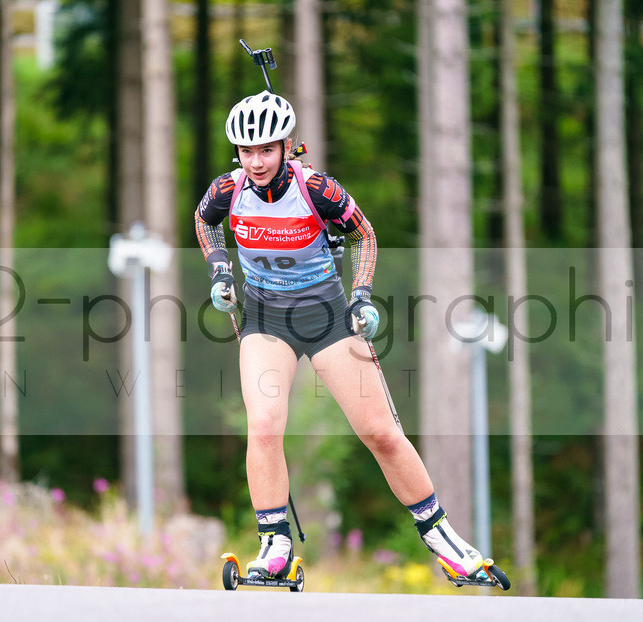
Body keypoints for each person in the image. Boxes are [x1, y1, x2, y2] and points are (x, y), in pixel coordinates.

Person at [195, 90, 490, 583]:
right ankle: (274, 544)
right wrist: (220, 270)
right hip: (266, 318)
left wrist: (362, 296)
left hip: (328, 318)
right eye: (246, 151)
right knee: (263, 425)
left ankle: (443, 538)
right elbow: (204, 222)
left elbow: (364, 235)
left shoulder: (317, 189)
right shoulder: (228, 189)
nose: (256, 161)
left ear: (286, 145)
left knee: (380, 433)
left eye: (266, 149)